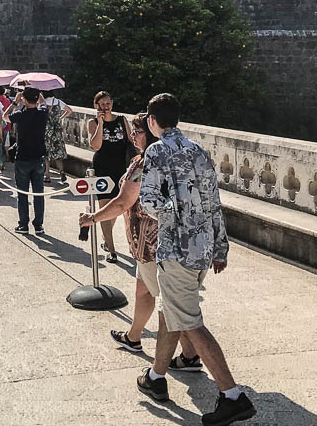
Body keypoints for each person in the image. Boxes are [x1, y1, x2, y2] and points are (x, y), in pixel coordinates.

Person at [137, 93, 255, 425]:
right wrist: (220, 247)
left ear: (152, 120)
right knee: (171, 312)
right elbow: (214, 202)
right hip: (202, 248)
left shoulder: (156, 151)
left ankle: (232, 396)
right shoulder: (198, 150)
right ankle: (156, 376)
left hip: (176, 248)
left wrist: (174, 215)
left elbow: (148, 200)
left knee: (189, 320)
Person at [80, 112, 201, 368]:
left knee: (174, 305)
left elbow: (124, 201)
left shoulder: (144, 163)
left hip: (154, 242)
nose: (132, 135)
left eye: (137, 131)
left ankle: (189, 355)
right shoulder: (173, 156)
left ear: (151, 131)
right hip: (159, 239)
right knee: (143, 289)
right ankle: (134, 337)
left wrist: (93, 217)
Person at [87, 91, 130, 262]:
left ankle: (107, 238)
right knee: (105, 207)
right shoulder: (93, 122)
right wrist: (100, 124)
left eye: (108, 103)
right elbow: (95, 146)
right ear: (96, 105)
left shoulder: (122, 120)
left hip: (120, 167)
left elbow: (130, 141)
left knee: (119, 207)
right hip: (102, 167)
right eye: (102, 104)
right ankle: (111, 251)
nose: (106, 107)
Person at [6, 86, 48, 234]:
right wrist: (38, 94)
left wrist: (15, 102)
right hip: (38, 157)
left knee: (22, 193)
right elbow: (44, 104)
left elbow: (5, 117)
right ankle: (38, 225)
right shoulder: (42, 113)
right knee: (39, 194)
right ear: (37, 99)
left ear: (24, 100)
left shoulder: (19, 114)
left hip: (22, 157)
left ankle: (23, 224)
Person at [41, 90, 73, 184]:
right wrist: (61, 118)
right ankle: (62, 172)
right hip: (57, 130)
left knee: (46, 153)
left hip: (46, 130)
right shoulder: (58, 101)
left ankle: (47, 175)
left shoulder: (43, 103)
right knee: (58, 152)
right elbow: (69, 110)